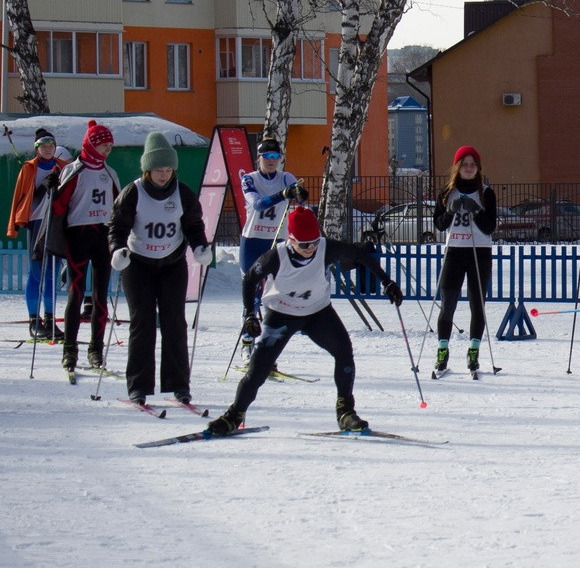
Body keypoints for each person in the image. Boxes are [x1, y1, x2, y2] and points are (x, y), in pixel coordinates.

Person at [207, 206, 403, 436]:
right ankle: (234, 415)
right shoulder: (275, 257)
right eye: (304, 244)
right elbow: (249, 280)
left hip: (317, 313)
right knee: (258, 369)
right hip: (281, 315)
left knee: (344, 352)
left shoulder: (325, 248)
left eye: (314, 242)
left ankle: (345, 412)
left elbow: (360, 255)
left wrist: (387, 282)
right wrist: (250, 314)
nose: (311, 248)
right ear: (291, 240)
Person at [108, 132, 211, 406]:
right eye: (158, 170)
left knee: (175, 322)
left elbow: (193, 225)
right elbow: (117, 227)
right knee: (142, 322)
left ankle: (179, 385)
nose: (164, 176)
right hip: (138, 265)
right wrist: (117, 251)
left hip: (172, 264)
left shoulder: (183, 193)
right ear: (147, 169)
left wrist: (200, 246)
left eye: (168, 170)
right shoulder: (133, 192)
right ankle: (139, 386)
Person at [43, 120, 120, 375]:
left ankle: (96, 349)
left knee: (100, 295)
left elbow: (119, 207)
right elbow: (58, 209)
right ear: (91, 144)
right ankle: (70, 349)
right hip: (79, 234)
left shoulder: (110, 173)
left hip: (102, 234)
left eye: (110, 146)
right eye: (103, 146)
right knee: (76, 293)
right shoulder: (74, 170)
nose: (107, 151)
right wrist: (52, 189)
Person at [432, 146, 497, 377]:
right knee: (447, 304)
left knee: (476, 304)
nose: (468, 168)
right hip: (454, 252)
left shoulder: (486, 193)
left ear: (478, 168)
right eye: (464, 164)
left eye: (472, 164)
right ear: (457, 167)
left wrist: (476, 211)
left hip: (479, 252)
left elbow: (491, 227)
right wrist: (450, 211)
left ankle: (473, 351)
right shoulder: (447, 191)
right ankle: (442, 351)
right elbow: (439, 224)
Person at [238, 134, 305, 350]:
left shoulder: (286, 177)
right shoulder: (249, 178)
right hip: (253, 241)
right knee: (253, 295)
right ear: (259, 158)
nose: (271, 160)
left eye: (275, 155)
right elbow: (257, 204)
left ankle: (267, 347)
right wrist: (283, 195)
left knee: (276, 296)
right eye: (266, 155)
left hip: (278, 242)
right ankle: (247, 343)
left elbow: (299, 196)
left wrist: (299, 195)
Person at [8, 128, 65, 340]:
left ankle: (50, 319)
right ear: (37, 147)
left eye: (51, 145)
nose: (48, 149)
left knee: (53, 272)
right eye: (44, 145)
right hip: (35, 223)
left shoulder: (63, 167)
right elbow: (18, 197)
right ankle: (34, 320)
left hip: (56, 223)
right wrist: (13, 225)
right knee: (36, 272)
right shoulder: (28, 168)